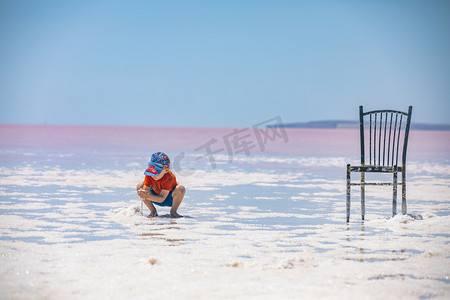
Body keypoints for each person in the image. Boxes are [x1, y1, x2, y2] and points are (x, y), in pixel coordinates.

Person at [136, 152, 185, 218]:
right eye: (151, 171)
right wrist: (143, 193)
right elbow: (145, 190)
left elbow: (161, 198)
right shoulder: (149, 175)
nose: (153, 175)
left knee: (180, 188)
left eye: (156, 172)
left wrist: (147, 196)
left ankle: (173, 211)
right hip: (154, 196)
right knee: (140, 186)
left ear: (166, 170)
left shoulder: (169, 177)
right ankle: (153, 211)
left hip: (169, 199)